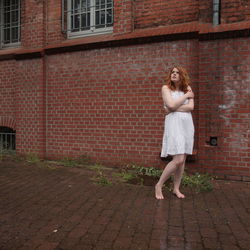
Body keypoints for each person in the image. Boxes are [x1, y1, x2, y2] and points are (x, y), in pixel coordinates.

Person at [155, 66, 194, 200]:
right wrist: (186, 96)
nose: (175, 74)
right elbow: (170, 106)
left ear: (182, 75)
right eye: (173, 72)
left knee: (182, 160)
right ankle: (159, 185)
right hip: (174, 125)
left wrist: (172, 108)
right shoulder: (166, 88)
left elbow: (191, 107)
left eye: (177, 72)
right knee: (177, 159)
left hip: (187, 125)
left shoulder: (187, 88)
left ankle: (176, 188)